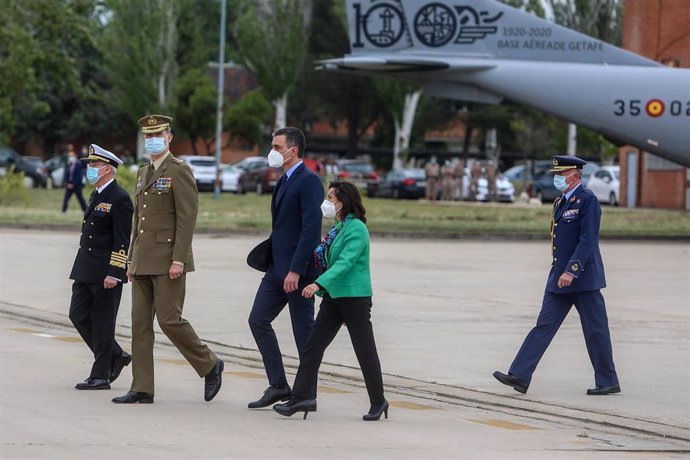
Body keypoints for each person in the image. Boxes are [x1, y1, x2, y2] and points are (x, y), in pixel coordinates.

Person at [112, 115, 223, 404]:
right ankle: (142, 387)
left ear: (170, 137)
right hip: (143, 260)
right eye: (148, 136)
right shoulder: (142, 171)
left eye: (158, 134)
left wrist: (179, 260)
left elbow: (187, 220)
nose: (153, 140)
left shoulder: (179, 171)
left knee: (170, 320)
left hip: (168, 260)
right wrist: (131, 261)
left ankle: (210, 364)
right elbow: (140, 221)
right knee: (140, 324)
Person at [493, 155, 620, 396]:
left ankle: (608, 380)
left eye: (561, 175)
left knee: (595, 330)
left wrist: (571, 271)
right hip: (559, 278)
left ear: (575, 175)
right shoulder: (561, 202)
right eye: (557, 175)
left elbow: (587, 240)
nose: (557, 179)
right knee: (544, 325)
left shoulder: (588, 200)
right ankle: (520, 375)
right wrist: (560, 272)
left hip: (582, 278)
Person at [273, 181, 387, 421]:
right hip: (334, 298)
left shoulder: (356, 229)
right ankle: (300, 397)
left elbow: (345, 263)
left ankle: (378, 401)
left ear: (343, 201)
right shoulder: (338, 227)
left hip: (354, 299)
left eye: (331, 198)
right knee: (313, 347)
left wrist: (318, 284)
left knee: (364, 351)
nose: (326, 203)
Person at [247, 127, 324, 409]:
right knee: (257, 320)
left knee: (303, 333)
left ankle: (306, 395)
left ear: (293, 151)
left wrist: (296, 270)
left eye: (277, 147)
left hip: (297, 273)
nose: (273, 152)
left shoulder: (310, 181)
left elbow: (310, 231)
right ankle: (279, 385)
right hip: (276, 269)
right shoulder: (284, 180)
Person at [68, 145, 133, 390]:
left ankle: (101, 375)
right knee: (78, 315)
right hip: (85, 268)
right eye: (89, 165)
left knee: (103, 323)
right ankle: (116, 355)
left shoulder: (120, 198)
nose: (89, 169)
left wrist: (115, 272)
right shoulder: (96, 194)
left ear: (107, 169)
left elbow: (122, 239)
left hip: (106, 273)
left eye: (94, 165)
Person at [62, 144, 87, 212]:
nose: (70, 157)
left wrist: (73, 184)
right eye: (69, 156)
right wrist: (67, 183)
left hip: (76, 185)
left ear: (74, 156)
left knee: (80, 198)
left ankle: (85, 210)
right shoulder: (68, 164)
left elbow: (79, 176)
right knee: (66, 198)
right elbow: (66, 175)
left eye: (71, 156)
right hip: (69, 184)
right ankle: (63, 211)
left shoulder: (78, 164)